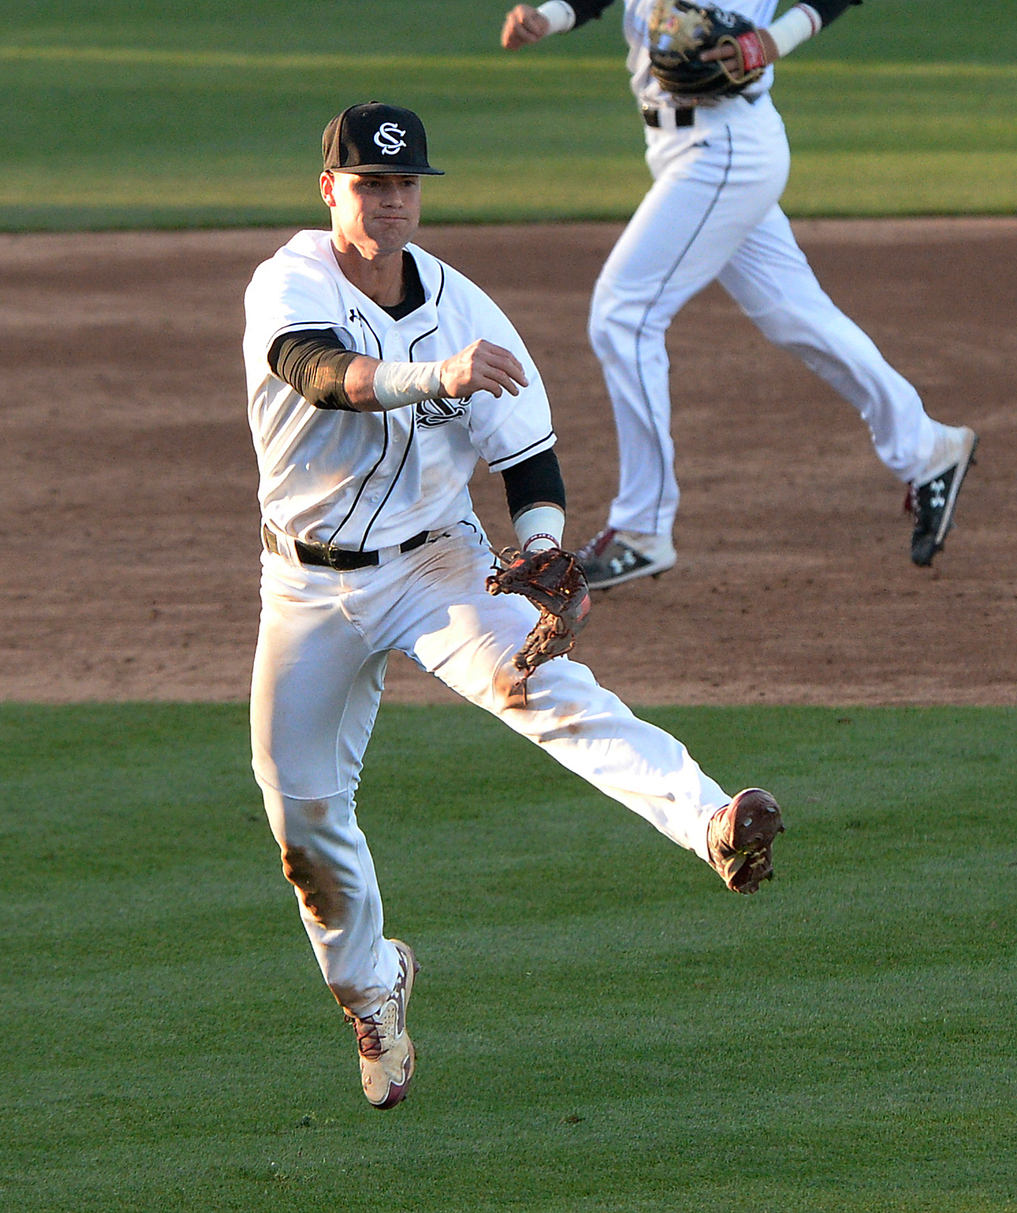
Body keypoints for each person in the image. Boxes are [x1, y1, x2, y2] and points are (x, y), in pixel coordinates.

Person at [242, 102, 785, 1110]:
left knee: (546, 690)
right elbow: (320, 375)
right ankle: (371, 988)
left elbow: (526, 454)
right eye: (368, 183)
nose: (391, 200)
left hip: (436, 567)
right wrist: (431, 377)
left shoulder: (468, 308)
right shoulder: (288, 282)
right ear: (331, 190)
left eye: (404, 184)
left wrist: (540, 552)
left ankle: (712, 821)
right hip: (307, 587)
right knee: (304, 824)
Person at [501, 0, 977, 586]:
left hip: (725, 149)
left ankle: (643, 529)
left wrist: (775, 39)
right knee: (793, 314)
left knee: (621, 316)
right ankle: (928, 448)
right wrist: (548, 16)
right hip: (688, 149)